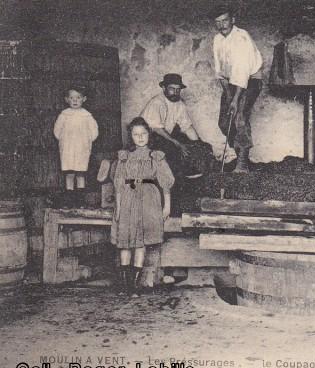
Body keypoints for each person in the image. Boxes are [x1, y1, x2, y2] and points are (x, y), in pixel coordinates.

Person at [110, 117, 175, 296]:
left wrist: (167, 206)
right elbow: (118, 184)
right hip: (128, 197)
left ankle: (133, 286)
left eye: (143, 134)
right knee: (125, 242)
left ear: (149, 135)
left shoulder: (156, 156)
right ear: (131, 136)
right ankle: (124, 285)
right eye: (136, 134)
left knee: (141, 243)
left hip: (148, 199)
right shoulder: (124, 157)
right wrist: (118, 207)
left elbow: (166, 183)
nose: (140, 138)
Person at [212, 5, 263, 173]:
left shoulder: (241, 38)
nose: (221, 25)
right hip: (231, 83)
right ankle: (241, 155)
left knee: (239, 117)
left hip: (250, 81)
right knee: (224, 122)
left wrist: (235, 99)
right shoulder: (217, 39)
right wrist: (228, 95)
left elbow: (242, 73)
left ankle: (242, 164)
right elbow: (219, 70)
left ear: (233, 20)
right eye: (218, 22)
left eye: (225, 20)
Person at [140, 73, 212, 179]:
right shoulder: (157, 102)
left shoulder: (179, 104)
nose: (175, 92)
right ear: (164, 88)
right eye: (172, 89)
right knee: (173, 146)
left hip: (165, 136)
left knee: (200, 145)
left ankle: (191, 171)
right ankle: (179, 175)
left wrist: (197, 143)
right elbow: (157, 130)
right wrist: (177, 143)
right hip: (147, 139)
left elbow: (187, 126)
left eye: (178, 89)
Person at [53, 86, 99, 206]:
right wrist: (64, 141)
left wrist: (86, 142)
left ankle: (80, 201)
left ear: (84, 99)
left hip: (81, 150)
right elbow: (57, 131)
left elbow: (94, 131)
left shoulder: (87, 116)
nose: (75, 100)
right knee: (69, 173)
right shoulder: (64, 115)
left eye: (78, 97)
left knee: (80, 173)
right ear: (67, 99)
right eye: (72, 97)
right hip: (68, 149)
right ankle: (70, 200)